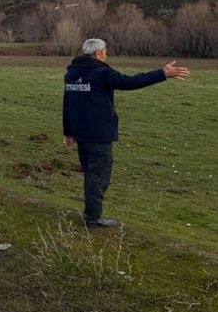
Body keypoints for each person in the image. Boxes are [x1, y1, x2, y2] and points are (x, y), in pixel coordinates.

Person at [63, 38, 189, 228]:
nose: (106, 54)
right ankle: (93, 218)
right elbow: (129, 82)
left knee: (91, 174)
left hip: (81, 133)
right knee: (98, 177)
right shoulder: (101, 72)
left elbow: (67, 103)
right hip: (99, 135)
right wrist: (162, 73)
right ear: (98, 54)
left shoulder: (72, 73)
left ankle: (91, 213)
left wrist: (68, 131)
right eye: (105, 51)